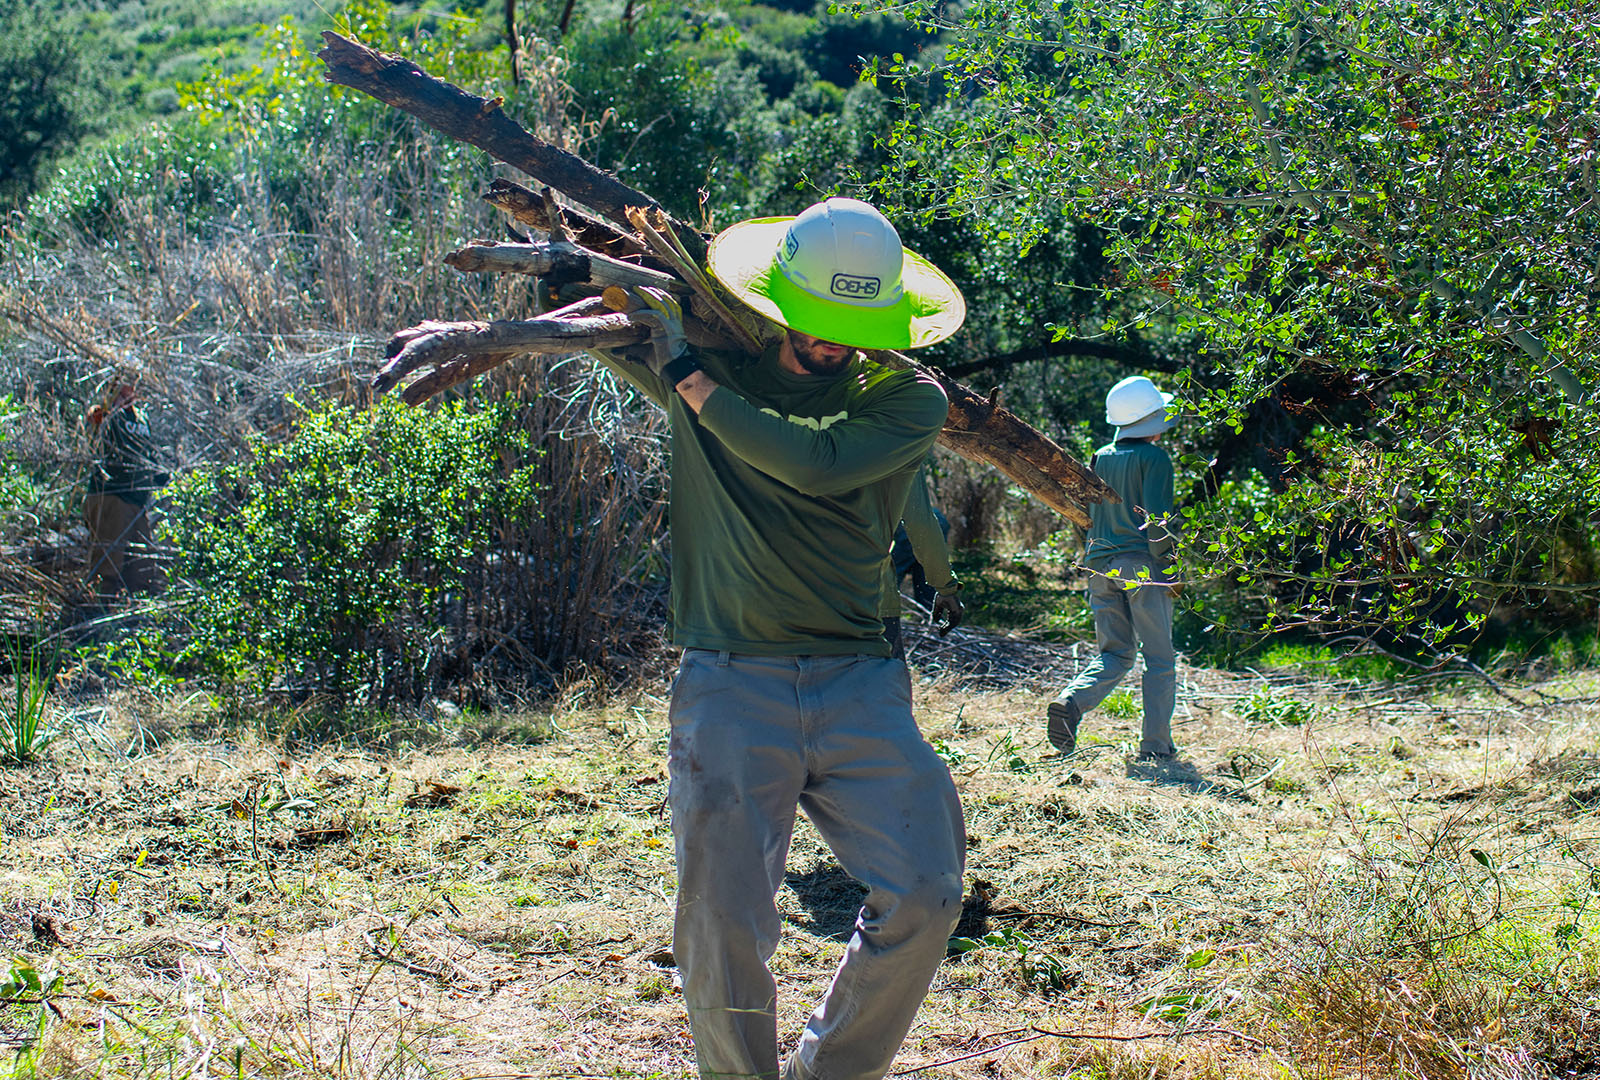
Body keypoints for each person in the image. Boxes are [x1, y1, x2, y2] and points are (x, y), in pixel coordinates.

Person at [588, 196, 968, 1080]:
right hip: (729, 677)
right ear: (775, 301)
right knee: (720, 920)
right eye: (812, 321)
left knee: (926, 890)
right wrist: (624, 298)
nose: (829, 342)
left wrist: (689, 374)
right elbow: (610, 321)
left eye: (850, 324)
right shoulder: (716, 365)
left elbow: (814, 461)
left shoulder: (906, 398)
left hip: (859, 679)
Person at [1046, 375, 1179, 761]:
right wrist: (1170, 568)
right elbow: (1157, 521)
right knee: (1159, 659)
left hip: (1100, 567)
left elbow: (1088, 514)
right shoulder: (1155, 458)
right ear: (1154, 421)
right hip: (1141, 568)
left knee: (1115, 654)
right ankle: (1156, 747)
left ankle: (1071, 702)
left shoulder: (1102, 456)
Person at [84, 381, 168, 596]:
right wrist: (110, 406)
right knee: (108, 563)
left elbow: (147, 451)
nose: (127, 391)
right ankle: (98, 610)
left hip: (137, 501)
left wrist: (158, 471)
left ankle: (133, 618)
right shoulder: (103, 414)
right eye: (120, 388)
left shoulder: (142, 418)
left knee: (143, 564)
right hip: (111, 496)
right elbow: (93, 432)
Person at [880, 464, 962, 660]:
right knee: (926, 590)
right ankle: (933, 633)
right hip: (925, 529)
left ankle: (931, 633)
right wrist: (947, 589)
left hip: (904, 533)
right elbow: (923, 522)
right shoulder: (904, 446)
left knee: (889, 584)